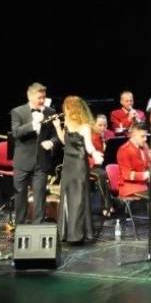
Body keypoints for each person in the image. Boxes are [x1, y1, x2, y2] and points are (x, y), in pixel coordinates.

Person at [54, 96, 104, 244]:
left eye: (66, 107)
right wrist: (57, 127)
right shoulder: (67, 123)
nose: (64, 109)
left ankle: (77, 234)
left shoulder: (84, 126)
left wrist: (95, 154)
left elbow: (89, 146)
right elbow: (65, 141)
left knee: (79, 198)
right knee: (67, 196)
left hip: (79, 165)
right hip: (68, 165)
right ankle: (66, 233)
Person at [10, 83, 58, 225]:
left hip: (41, 161)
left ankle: (38, 228)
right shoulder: (18, 112)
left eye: (44, 97)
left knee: (40, 196)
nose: (42, 100)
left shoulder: (50, 111)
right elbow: (16, 132)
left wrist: (52, 142)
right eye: (39, 98)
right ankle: (20, 227)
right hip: (22, 162)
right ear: (29, 96)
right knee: (20, 197)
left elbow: (56, 135)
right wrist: (33, 124)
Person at [118, 123, 151, 237]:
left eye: (145, 136)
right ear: (133, 135)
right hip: (129, 186)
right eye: (142, 136)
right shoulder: (124, 150)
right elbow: (126, 174)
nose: (145, 139)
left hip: (143, 183)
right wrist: (146, 174)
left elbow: (148, 165)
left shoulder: (145, 146)